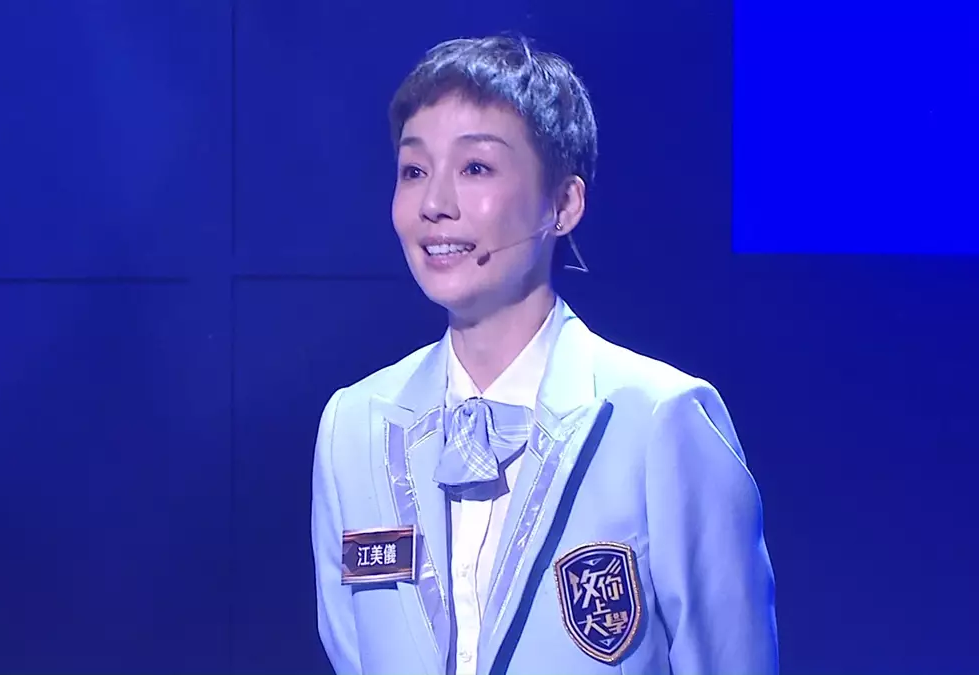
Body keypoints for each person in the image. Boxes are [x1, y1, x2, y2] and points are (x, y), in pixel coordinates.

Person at [311, 35, 777, 675]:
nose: (434, 204)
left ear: (563, 204)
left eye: (476, 168)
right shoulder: (353, 427)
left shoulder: (659, 420)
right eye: (414, 170)